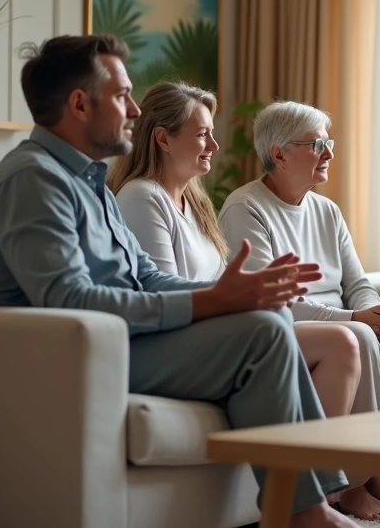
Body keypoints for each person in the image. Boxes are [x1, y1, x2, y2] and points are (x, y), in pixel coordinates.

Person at [0, 35, 363, 528]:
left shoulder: (89, 183)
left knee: (268, 317)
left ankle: (309, 505)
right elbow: (67, 300)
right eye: (121, 96)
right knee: (261, 334)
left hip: (123, 339)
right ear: (78, 103)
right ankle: (302, 514)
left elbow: (147, 276)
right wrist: (211, 303)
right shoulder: (33, 179)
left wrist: (229, 294)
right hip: (79, 354)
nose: (135, 110)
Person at [218, 100, 380, 519]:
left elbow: (357, 285)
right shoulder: (246, 209)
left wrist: (377, 312)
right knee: (358, 337)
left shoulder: (327, 210)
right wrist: (356, 320)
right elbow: (271, 301)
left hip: (347, 323)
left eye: (329, 143)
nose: (330, 153)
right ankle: (354, 486)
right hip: (296, 329)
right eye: (318, 144)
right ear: (278, 153)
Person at [107, 81, 362, 421]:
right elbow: (162, 295)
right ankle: (317, 469)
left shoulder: (195, 202)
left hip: (210, 327)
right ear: (163, 139)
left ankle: (324, 465)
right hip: (181, 338)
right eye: (201, 135)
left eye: (211, 133)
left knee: (341, 343)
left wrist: (253, 292)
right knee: (331, 341)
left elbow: (215, 281)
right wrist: (238, 296)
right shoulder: (142, 197)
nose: (214, 144)